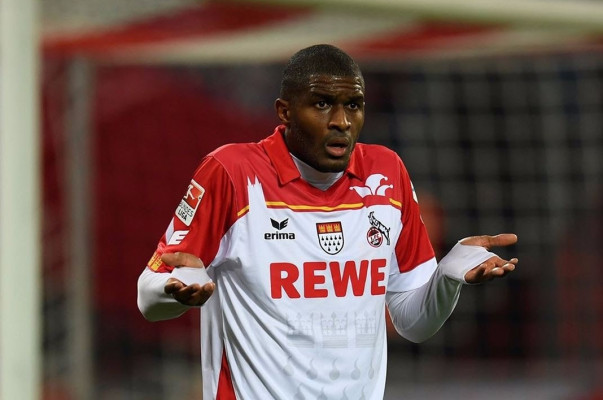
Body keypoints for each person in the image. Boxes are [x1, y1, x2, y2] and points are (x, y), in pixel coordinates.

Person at [137, 44, 518, 399]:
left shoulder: (386, 174)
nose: (341, 121)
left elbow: (413, 324)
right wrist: (173, 292)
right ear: (285, 112)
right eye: (322, 104)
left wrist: (447, 277)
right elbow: (148, 296)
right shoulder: (232, 173)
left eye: (353, 105)